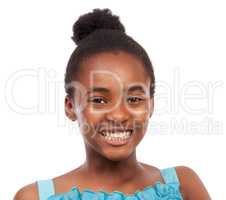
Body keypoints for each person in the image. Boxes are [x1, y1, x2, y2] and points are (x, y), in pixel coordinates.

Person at [14, 8, 211, 200]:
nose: (118, 115)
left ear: (151, 105)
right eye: (99, 100)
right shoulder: (34, 197)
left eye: (134, 99)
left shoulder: (183, 186)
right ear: (70, 106)